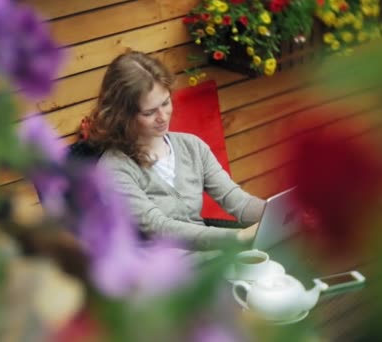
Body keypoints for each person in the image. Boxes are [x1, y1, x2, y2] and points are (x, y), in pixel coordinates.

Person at [86, 50, 265, 251]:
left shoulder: (193, 147)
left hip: (209, 258)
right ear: (123, 116)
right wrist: (237, 237)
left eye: (165, 102)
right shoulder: (114, 169)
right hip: (162, 274)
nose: (163, 116)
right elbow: (160, 228)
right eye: (149, 112)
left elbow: (236, 201)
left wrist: (275, 215)